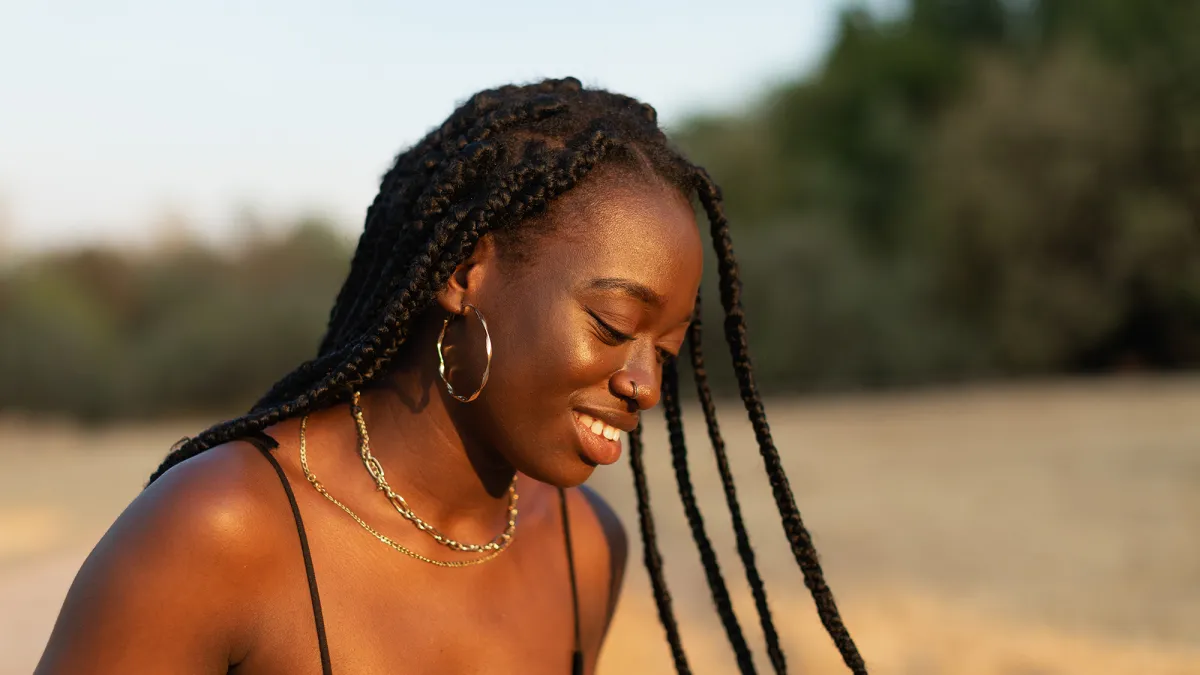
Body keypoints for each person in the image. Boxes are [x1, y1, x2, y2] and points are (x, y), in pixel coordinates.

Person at [34, 78, 866, 675]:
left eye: (669, 347)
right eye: (613, 326)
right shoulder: (222, 531)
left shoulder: (581, 550)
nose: (645, 381)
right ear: (466, 271)